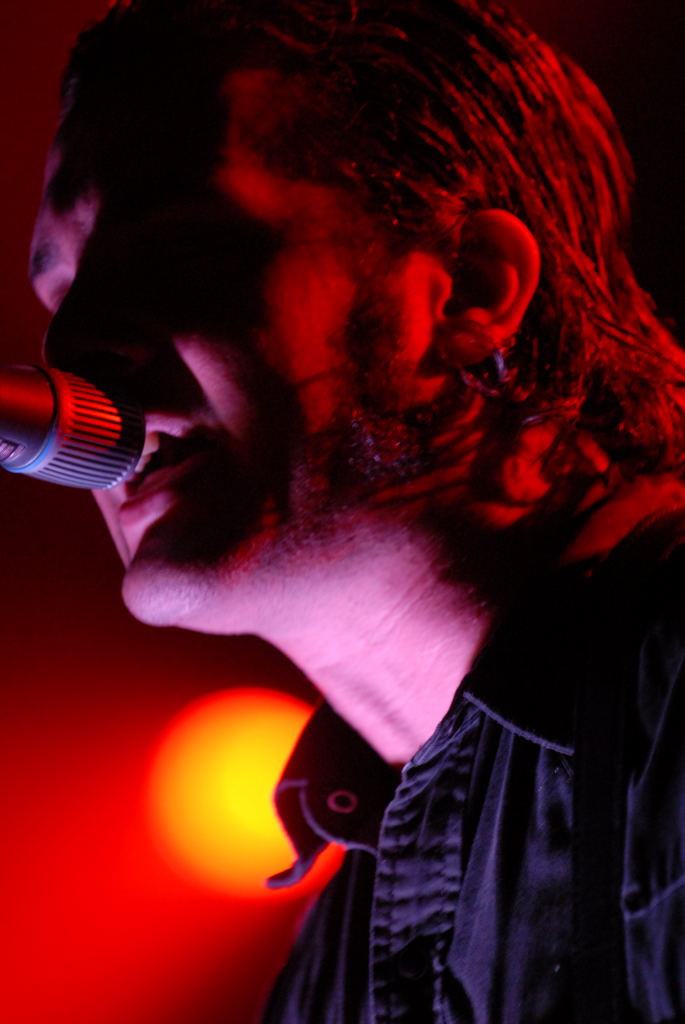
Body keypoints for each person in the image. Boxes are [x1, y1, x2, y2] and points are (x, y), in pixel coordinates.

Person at [29, 0, 685, 1020]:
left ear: (467, 293)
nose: (71, 352)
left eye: (176, 251)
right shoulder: (333, 935)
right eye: (60, 292)